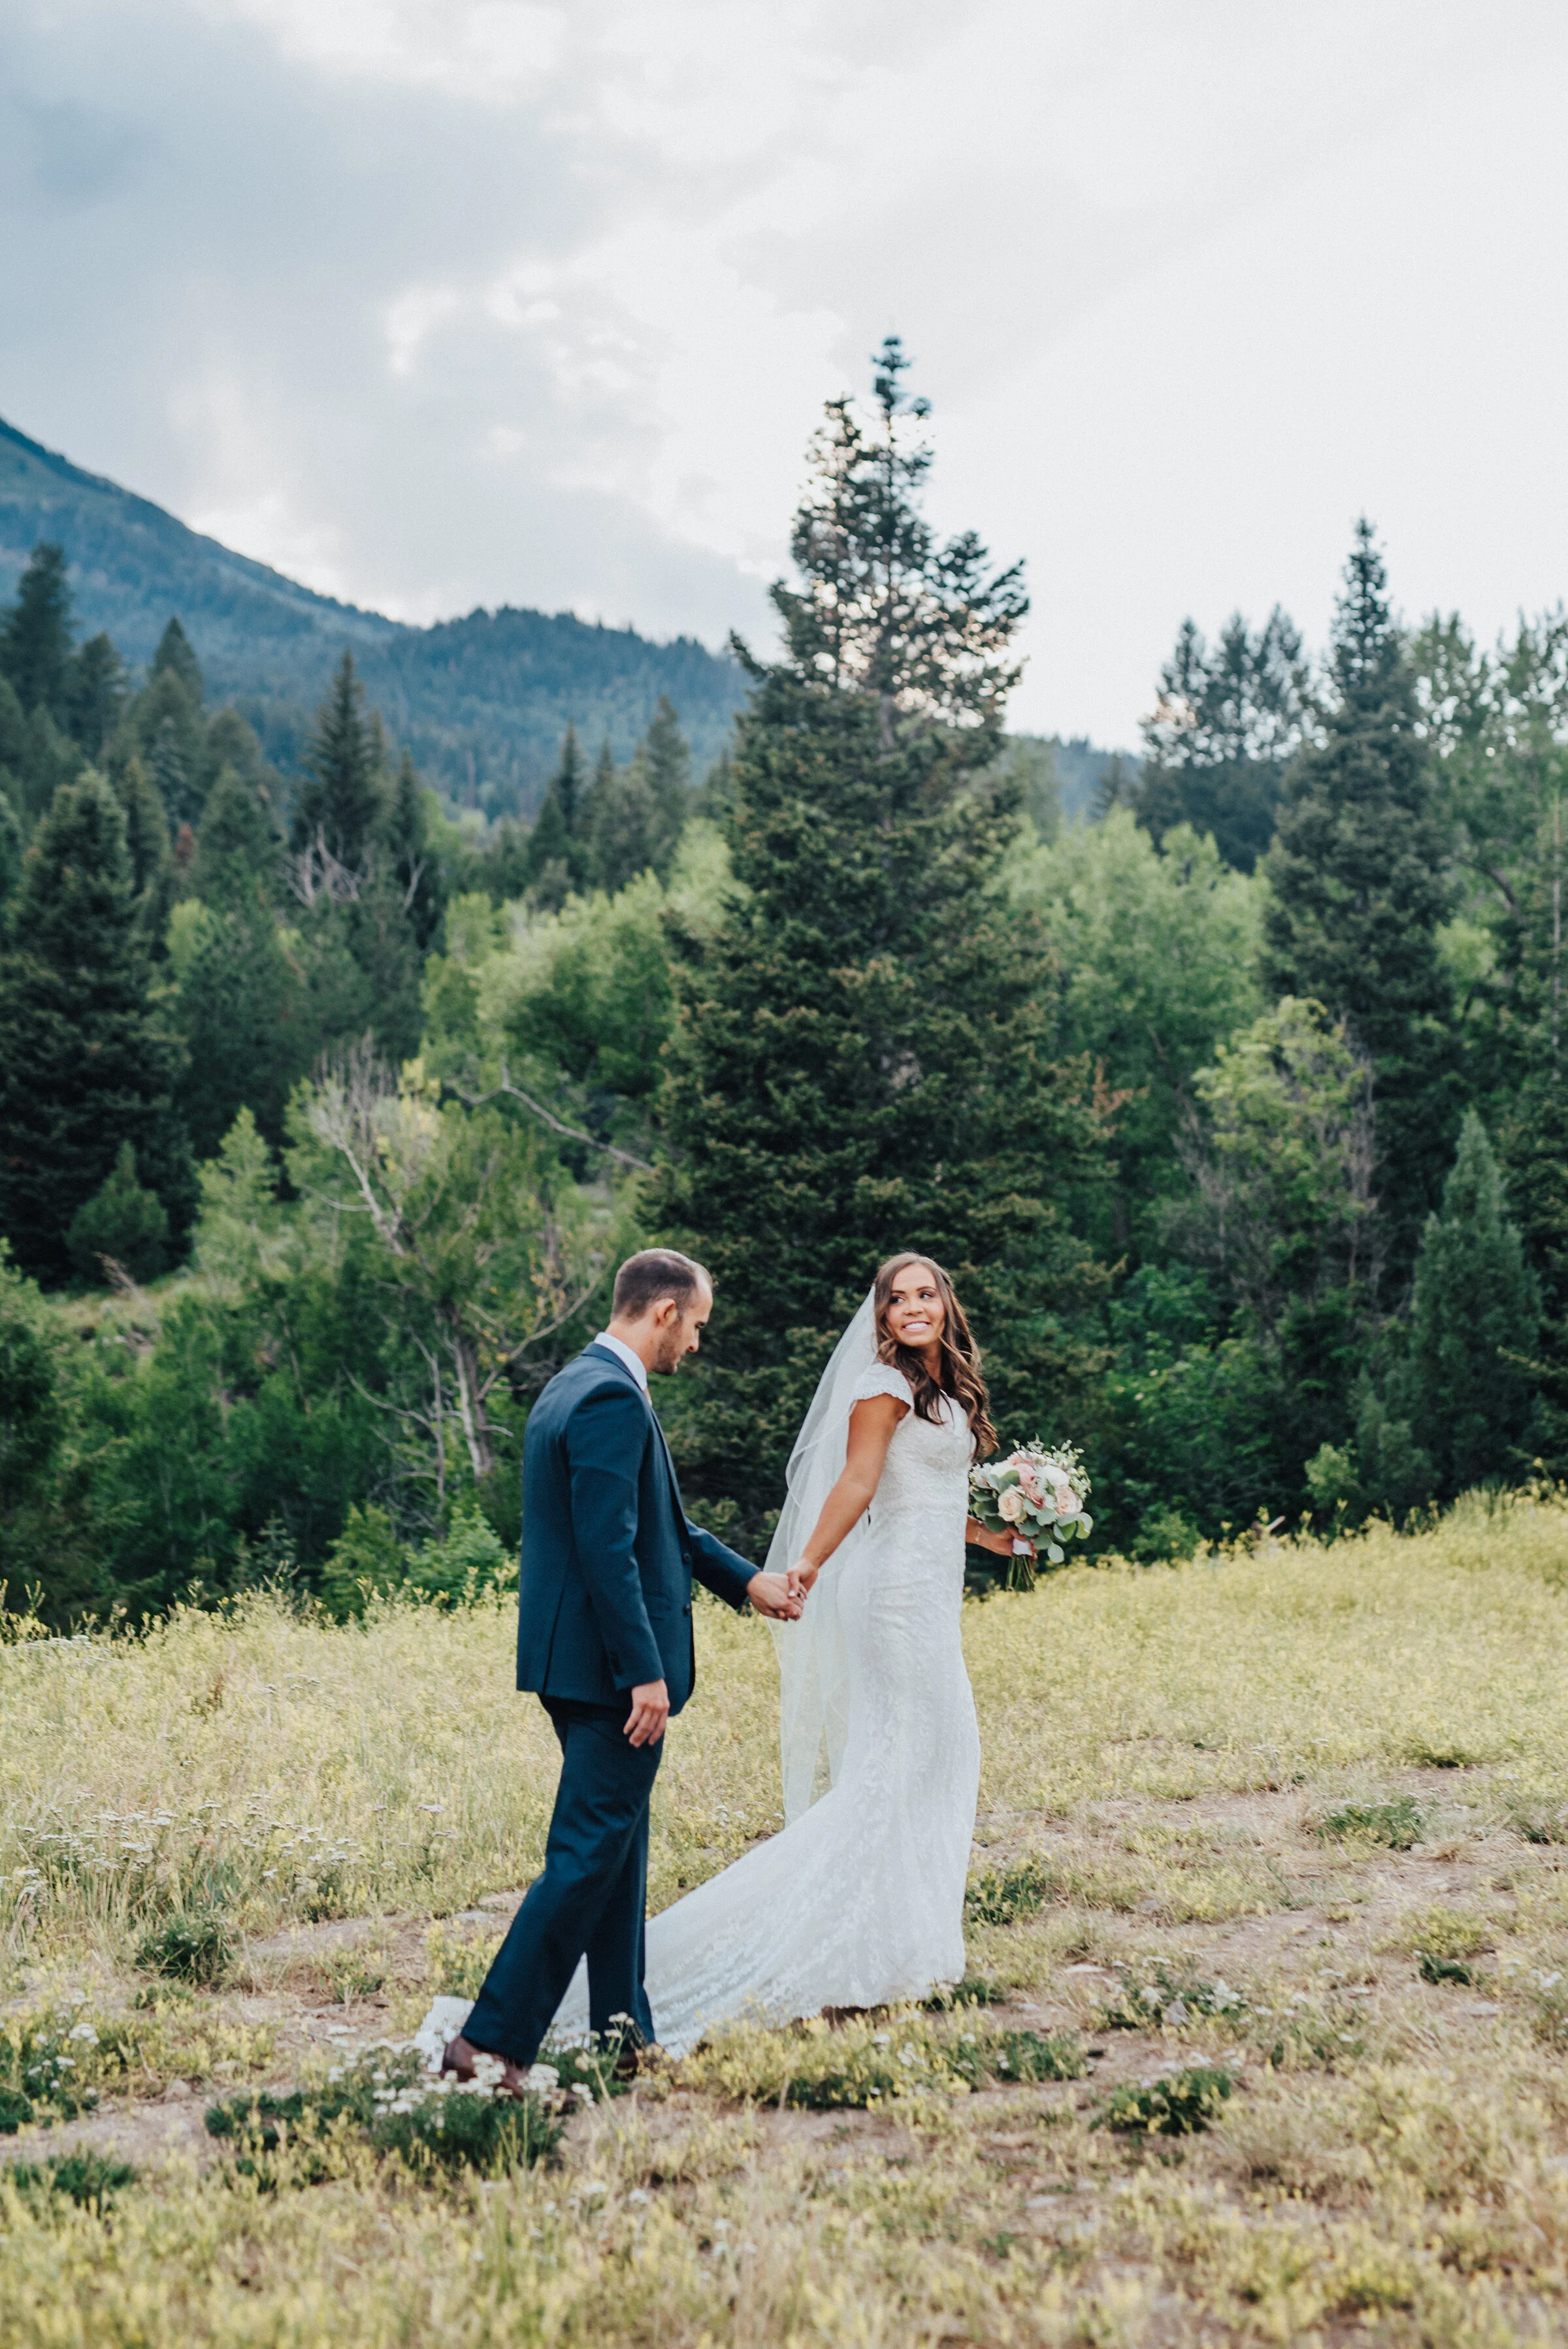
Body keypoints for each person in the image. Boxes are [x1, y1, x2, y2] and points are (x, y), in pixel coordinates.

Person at [528, 1249, 1028, 2056]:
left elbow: (929, 1496)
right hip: (894, 1599)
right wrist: (804, 1567)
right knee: (895, 1767)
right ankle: (844, 1947)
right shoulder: (883, 1386)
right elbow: (858, 1488)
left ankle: (907, 1942)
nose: (912, 1308)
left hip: (934, 1594)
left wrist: (996, 1531)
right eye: (895, 1299)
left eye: (925, 1294)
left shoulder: (944, 1389)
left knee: (939, 1757)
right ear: (880, 1314)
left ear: (946, 1302)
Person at [439, 1248, 802, 2092]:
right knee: (585, 1852)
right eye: (699, 1326)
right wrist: (643, 1671)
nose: (698, 1345)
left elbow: (660, 1524)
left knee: (616, 1850)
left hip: (576, 1664)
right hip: (609, 1673)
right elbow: (609, 1549)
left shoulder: (576, 1382)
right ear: (666, 1311)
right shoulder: (610, 1396)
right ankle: (490, 2042)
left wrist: (746, 1579)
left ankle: (623, 2030)